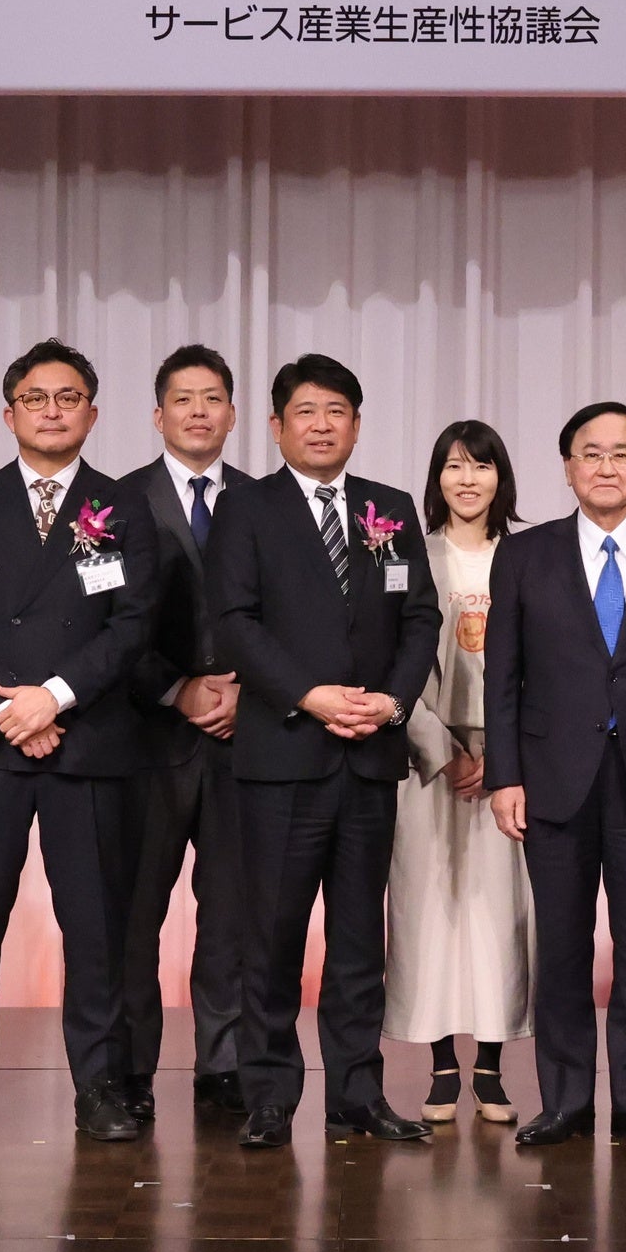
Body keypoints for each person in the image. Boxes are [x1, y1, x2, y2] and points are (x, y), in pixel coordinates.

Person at [0, 341, 161, 1147]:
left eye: (68, 396)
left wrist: (53, 696)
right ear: (9, 411)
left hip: (86, 739)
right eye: (36, 397)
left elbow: (133, 622)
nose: (52, 410)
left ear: (93, 411)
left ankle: (101, 1084)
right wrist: (11, 704)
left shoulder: (123, 506)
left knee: (96, 926)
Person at [205, 354, 441, 1148]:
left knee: (358, 941)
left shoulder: (389, 507)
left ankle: (357, 1091)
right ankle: (270, 1092)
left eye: (337, 410)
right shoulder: (246, 507)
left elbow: (420, 618)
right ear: (276, 426)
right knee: (271, 937)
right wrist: (309, 695)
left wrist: (391, 702)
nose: (321, 424)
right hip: (283, 755)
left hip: (369, 758)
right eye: (305, 411)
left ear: (357, 424)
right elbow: (235, 620)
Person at [484, 402, 626, 1148]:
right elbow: (502, 676)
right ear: (567, 468)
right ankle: (565, 1100)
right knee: (561, 947)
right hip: (552, 778)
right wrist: (504, 775)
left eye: (622, 454)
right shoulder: (526, 554)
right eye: (591, 453)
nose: (606, 467)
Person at [116, 343, 252, 1122]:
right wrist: (175, 687)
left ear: (233, 414)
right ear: (158, 414)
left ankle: (224, 1066)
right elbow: (101, 625)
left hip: (243, 737)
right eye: (183, 398)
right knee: (134, 914)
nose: (198, 411)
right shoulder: (116, 502)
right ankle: (130, 1068)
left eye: (212, 398)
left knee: (231, 915)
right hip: (144, 739)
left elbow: (290, 617)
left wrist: (248, 691)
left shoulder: (265, 501)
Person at [393, 419, 532, 1126]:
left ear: (501, 477)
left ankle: (492, 1067)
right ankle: (443, 1065)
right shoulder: (409, 555)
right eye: (454, 465)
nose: (468, 479)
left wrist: (502, 756)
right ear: (436, 478)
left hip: (511, 767)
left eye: (481, 465)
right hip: (428, 760)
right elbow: (392, 662)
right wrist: (440, 749)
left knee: (498, 914)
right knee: (430, 910)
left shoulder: (530, 554)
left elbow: (547, 668)